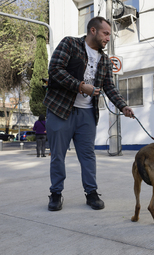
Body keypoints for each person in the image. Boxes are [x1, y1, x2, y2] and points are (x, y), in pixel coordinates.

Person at [44, 16, 134, 211]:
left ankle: (91, 193)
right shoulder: (70, 44)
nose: (108, 38)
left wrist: (123, 106)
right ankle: (56, 193)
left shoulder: (104, 60)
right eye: (106, 33)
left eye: (109, 34)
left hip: (87, 114)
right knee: (58, 155)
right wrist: (80, 86)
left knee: (88, 155)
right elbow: (55, 69)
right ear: (93, 30)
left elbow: (109, 87)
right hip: (60, 110)